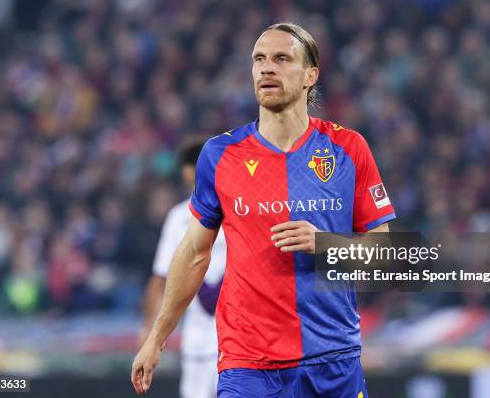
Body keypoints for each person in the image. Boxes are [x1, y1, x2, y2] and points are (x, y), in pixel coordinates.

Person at [132, 22, 396, 397]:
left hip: (333, 360)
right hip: (250, 364)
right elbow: (194, 254)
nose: (266, 68)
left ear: (310, 75)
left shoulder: (347, 149)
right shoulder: (220, 155)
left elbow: (383, 252)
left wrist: (324, 243)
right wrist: (156, 338)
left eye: (281, 58)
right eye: (259, 59)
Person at [139, 139, 226, 398]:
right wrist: (150, 333)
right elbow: (160, 279)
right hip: (197, 344)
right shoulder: (179, 218)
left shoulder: (239, 211)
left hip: (236, 342)